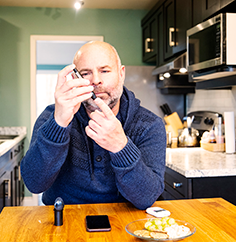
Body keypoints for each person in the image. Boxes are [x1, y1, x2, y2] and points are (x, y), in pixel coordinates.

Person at [21, 41, 166, 210]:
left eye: (104, 71)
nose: (96, 80)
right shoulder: (51, 116)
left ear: (121, 73)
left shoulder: (149, 124)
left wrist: (120, 146)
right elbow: (34, 183)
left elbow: (147, 198)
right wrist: (58, 124)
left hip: (125, 221)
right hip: (64, 219)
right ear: (76, 78)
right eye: (86, 73)